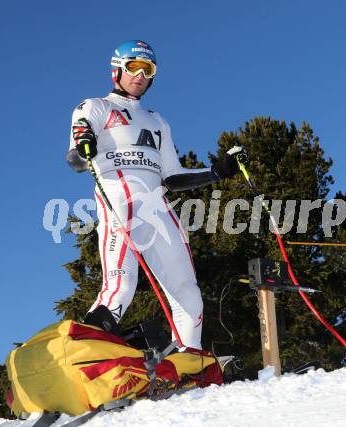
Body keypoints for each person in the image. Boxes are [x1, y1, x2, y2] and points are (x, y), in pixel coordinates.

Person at [67, 40, 241, 349]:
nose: (141, 75)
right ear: (116, 70)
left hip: (157, 209)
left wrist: (218, 171)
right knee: (120, 288)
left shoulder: (157, 121)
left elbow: (172, 177)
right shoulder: (94, 107)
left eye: (148, 70)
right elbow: (77, 161)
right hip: (119, 202)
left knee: (188, 293)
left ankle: (188, 366)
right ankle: (81, 357)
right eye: (134, 66)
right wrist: (84, 143)